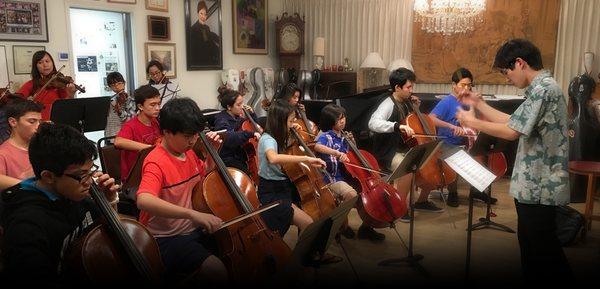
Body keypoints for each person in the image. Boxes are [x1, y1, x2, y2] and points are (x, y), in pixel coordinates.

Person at [456, 39, 573, 283]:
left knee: (545, 255)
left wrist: (472, 122)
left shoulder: (544, 90)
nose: (507, 78)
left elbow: (511, 132)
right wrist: (479, 104)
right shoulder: (541, 89)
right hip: (533, 187)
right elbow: (513, 121)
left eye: (506, 71)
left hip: (540, 187)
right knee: (533, 252)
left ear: (519, 63)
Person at [1, 123, 119, 286]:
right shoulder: (26, 227)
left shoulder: (76, 195)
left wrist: (109, 201)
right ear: (48, 176)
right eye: (82, 175)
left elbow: (107, 237)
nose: (90, 181)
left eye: (91, 170)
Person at [135, 97, 227, 285]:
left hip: (193, 230)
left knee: (231, 254)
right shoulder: (156, 161)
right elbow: (143, 200)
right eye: (188, 136)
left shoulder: (189, 152)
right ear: (167, 132)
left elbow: (203, 183)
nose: (194, 140)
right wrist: (192, 214)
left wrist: (212, 155)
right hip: (166, 238)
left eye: (196, 134)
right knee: (215, 269)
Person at [368, 68, 443, 222]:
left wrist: (417, 107)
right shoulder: (387, 103)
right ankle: (400, 206)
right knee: (408, 168)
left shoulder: (408, 102)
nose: (411, 90)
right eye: (408, 87)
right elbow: (373, 123)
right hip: (390, 152)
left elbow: (414, 124)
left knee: (434, 164)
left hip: (407, 148)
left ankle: (422, 201)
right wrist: (396, 126)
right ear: (397, 88)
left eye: (411, 87)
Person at [313, 104, 386, 242]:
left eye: (343, 117)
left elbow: (352, 157)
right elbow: (316, 145)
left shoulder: (345, 136)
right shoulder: (326, 136)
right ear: (330, 121)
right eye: (338, 119)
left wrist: (352, 143)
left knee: (369, 195)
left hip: (348, 175)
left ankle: (368, 226)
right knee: (351, 195)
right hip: (333, 178)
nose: (342, 121)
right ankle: (340, 225)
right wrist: (336, 152)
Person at [428, 67, 497, 207]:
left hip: (466, 141)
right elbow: (430, 118)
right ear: (454, 85)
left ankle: (477, 190)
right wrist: (451, 126)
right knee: (457, 158)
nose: (466, 88)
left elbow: (478, 119)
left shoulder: (467, 100)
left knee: (479, 154)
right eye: (463, 85)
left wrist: (479, 102)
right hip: (447, 143)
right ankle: (452, 193)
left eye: (469, 85)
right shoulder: (447, 101)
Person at [115, 85, 161, 183]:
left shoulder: (156, 122)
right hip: (134, 179)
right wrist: (150, 148)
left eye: (159, 104)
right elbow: (118, 142)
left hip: (152, 170)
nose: (157, 108)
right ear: (140, 106)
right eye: (152, 105)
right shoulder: (131, 125)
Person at [16, 50, 77, 120]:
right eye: (40, 62)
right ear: (36, 67)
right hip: (38, 122)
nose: (45, 65)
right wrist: (28, 103)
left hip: (57, 120)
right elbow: (16, 100)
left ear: (52, 63)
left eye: (47, 61)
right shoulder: (32, 84)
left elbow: (66, 107)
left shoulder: (60, 84)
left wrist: (70, 95)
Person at [213, 86, 261, 172]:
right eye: (239, 105)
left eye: (242, 103)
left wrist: (252, 114)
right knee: (246, 171)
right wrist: (249, 134)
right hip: (229, 158)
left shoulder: (238, 117)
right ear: (229, 107)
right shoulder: (221, 119)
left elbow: (255, 127)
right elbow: (228, 137)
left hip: (241, 154)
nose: (242, 107)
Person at [0, 99, 42, 179]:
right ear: (13, 122)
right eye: (32, 121)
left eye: (40, 122)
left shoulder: (41, 146)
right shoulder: (3, 155)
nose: (38, 126)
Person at [188, 0, 221, 66]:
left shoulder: (207, 28)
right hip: (198, 62)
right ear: (198, 13)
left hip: (209, 60)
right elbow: (193, 50)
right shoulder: (192, 29)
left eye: (205, 14)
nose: (203, 17)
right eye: (201, 13)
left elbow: (211, 44)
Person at [105, 72, 136, 138]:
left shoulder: (130, 100)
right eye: (113, 85)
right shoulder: (110, 100)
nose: (116, 87)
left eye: (119, 83)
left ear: (124, 83)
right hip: (109, 134)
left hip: (123, 135)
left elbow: (130, 120)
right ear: (110, 87)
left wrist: (120, 112)